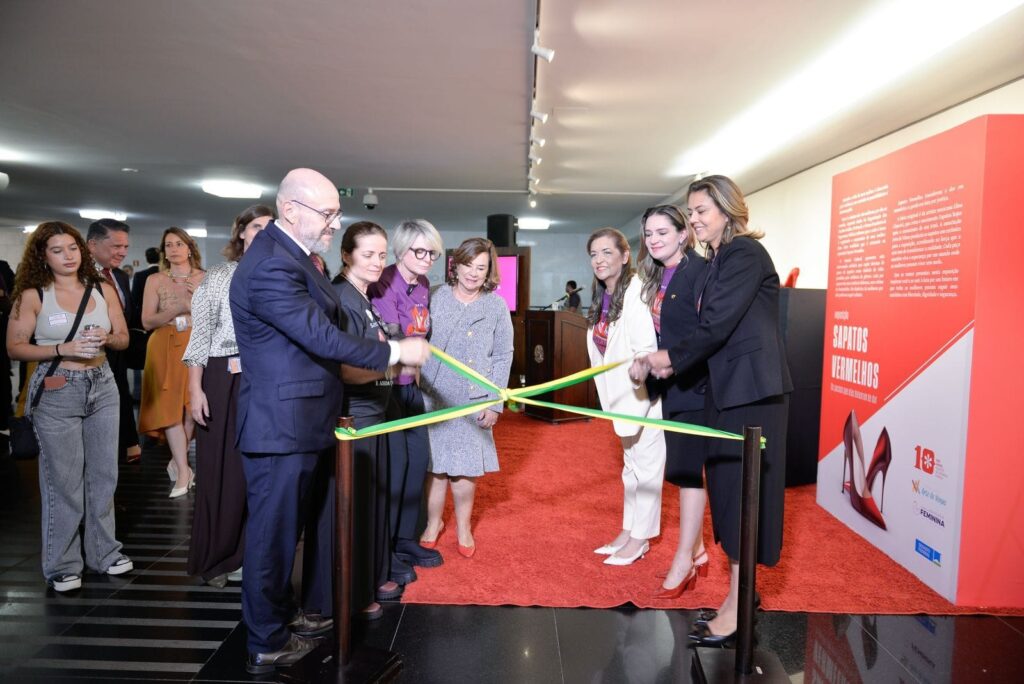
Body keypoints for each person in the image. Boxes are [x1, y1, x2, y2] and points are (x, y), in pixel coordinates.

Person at [229, 168, 429, 675]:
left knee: (288, 529)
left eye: (335, 214)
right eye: (327, 214)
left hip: (302, 420)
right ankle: (265, 641)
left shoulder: (294, 257)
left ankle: (281, 619)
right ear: (291, 209)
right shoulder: (272, 264)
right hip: (281, 424)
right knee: (271, 538)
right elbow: (321, 337)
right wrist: (394, 350)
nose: (334, 223)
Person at [631, 175, 792, 646]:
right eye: (693, 210)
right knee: (729, 496)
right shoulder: (722, 257)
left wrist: (665, 359)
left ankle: (739, 607)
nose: (696, 219)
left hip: (751, 395)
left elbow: (717, 324)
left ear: (727, 209)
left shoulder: (743, 254)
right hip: (730, 393)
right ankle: (739, 598)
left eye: (702, 210)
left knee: (742, 498)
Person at [5, 222, 133, 592]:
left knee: (104, 475)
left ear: (82, 250)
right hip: (58, 386)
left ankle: (105, 553)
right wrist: (63, 348)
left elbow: (124, 338)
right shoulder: (33, 295)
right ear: (42, 256)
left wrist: (106, 337)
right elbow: (15, 347)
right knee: (63, 480)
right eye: (57, 250)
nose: (67, 256)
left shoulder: (102, 287)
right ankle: (62, 564)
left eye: (72, 248)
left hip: (103, 385)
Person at [183, 204, 273, 588]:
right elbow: (199, 336)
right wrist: (194, 389)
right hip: (223, 378)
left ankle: (249, 554)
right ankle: (216, 558)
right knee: (219, 470)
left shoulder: (280, 276)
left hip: (266, 378)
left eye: (272, 227)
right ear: (241, 233)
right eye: (256, 226)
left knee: (255, 471)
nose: (263, 232)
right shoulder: (219, 276)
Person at [419, 238, 514, 558]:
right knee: (435, 469)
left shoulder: (495, 305)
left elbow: (503, 355)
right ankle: (433, 524)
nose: (473, 273)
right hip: (435, 396)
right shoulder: (434, 296)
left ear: (489, 271)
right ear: (455, 265)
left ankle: (463, 527)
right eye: (468, 265)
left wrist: (495, 402)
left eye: (481, 267)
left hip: (475, 397)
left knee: (464, 470)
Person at [636, 205, 710, 597]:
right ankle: (697, 551)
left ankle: (684, 557)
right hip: (671, 385)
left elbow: (707, 334)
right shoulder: (658, 274)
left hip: (695, 385)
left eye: (663, 232)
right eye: (649, 234)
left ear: (684, 234)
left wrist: (669, 363)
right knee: (681, 468)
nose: (654, 240)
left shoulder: (700, 271)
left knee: (686, 470)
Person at [368, 219, 445, 582]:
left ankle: (404, 538)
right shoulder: (384, 283)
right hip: (386, 390)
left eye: (432, 252)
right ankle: (383, 549)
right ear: (401, 250)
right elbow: (389, 337)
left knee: (417, 465)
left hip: (410, 387)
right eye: (420, 251)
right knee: (394, 470)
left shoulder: (423, 284)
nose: (428, 258)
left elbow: (419, 333)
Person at [332, 221, 402, 617]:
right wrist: (396, 360)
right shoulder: (342, 298)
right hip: (356, 415)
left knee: (373, 500)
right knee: (354, 506)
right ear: (346, 254)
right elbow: (345, 369)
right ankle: (354, 591)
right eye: (368, 254)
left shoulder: (364, 296)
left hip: (376, 413)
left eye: (381, 254)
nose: (377, 262)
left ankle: (373, 574)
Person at [584, 228, 665, 566]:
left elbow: (646, 348)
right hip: (619, 398)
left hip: (643, 396)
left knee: (647, 470)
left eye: (606, 252)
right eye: (593, 255)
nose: (599, 260)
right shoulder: (603, 295)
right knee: (630, 468)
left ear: (624, 255)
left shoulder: (635, 293)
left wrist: (640, 372)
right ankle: (629, 531)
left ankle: (641, 539)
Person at [139, 227, 206, 498]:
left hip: (198, 343)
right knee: (168, 407)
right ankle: (183, 468)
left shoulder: (206, 277)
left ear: (190, 248)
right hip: (164, 344)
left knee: (192, 408)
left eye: (179, 244)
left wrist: (197, 300)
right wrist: (176, 309)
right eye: (168, 245)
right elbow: (146, 322)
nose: (174, 249)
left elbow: (219, 317)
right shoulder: (155, 280)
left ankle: (177, 460)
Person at [86, 218, 142, 464]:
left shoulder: (118, 276)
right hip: (88, 356)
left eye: (126, 247)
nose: (123, 252)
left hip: (117, 353)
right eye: (116, 246)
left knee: (119, 400)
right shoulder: (77, 276)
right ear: (92, 245)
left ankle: (121, 447)